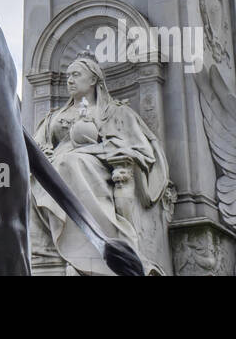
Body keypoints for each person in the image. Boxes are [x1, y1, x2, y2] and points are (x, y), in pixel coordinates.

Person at [30, 56, 169, 275]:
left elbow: (140, 149)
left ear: (93, 79)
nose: (70, 81)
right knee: (40, 172)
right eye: (68, 76)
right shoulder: (54, 117)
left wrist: (103, 148)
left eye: (76, 75)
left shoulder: (115, 111)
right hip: (57, 163)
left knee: (69, 162)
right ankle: (45, 253)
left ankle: (99, 247)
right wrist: (43, 152)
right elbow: (35, 146)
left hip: (94, 164)